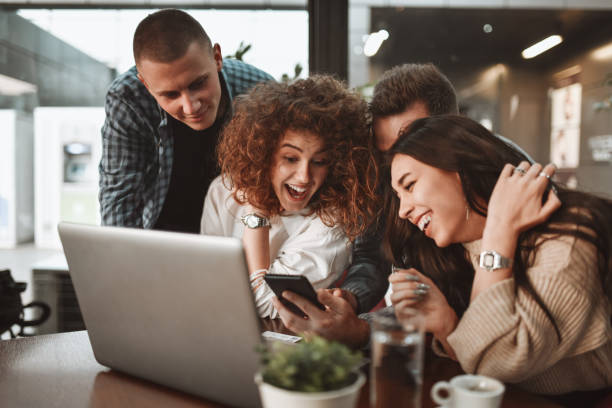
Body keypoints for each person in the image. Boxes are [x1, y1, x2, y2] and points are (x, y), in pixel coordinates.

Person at [273, 63, 531, 348]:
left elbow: (484, 330)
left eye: (410, 146)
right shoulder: (390, 177)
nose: (397, 168)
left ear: (453, 131)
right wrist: (351, 298)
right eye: (387, 155)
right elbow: (374, 258)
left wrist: (362, 331)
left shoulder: (512, 177)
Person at [386, 114, 612, 395]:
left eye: (409, 186)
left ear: (460, 167)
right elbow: (481, 364)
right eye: (398, 196)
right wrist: (447, 326)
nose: (403, 210)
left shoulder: (568, 237)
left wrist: (499, 230)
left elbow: (495, 362)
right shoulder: (451, 252)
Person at [201, 75, 378, 318]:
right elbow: (205, 283)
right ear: (263, 152)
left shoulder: (332, 224)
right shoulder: (222, 191)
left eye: (319, 161)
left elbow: (264, 304)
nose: (305, 176)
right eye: (291, 158)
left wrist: (257, 211)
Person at [99, 9, 273, 232]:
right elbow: (120, 201)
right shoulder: (128, 99)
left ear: (217, 57)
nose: (191, 107)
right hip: (162, 239)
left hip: (242, 236)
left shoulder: (260, 91)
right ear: (146, 84)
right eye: (171, 95)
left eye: (198, 84)